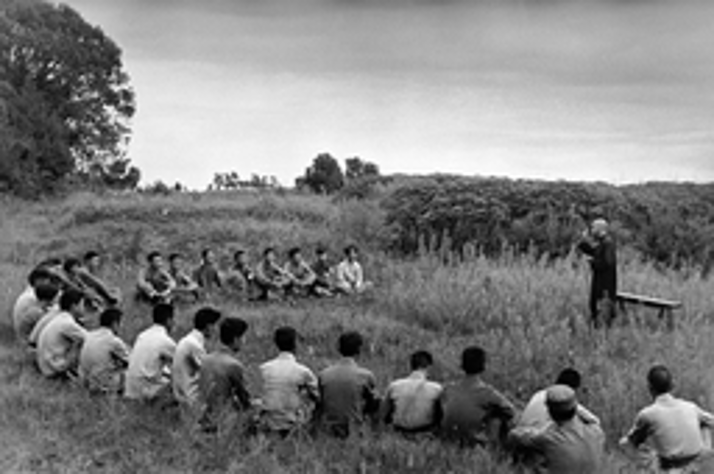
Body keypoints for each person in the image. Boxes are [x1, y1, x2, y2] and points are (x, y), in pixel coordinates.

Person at [620, 365, 714, 473]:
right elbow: (711, 421)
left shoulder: (648, 414)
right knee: (704, 423)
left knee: (624, 443)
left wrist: (648, 456)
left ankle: (650, 466)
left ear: (650, 388)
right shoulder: (691, 407)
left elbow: (631, 442)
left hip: (670, 467)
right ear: (672, 385)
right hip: (697, 463)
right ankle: (705, 454)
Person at [509, 385, 605, 474]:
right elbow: (594, 420)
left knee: (529, 457)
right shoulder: (596, 430)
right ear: (575, 409)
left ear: (550, 412)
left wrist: (542, 428)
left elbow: (514, 435)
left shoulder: (549, 438)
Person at [439, 346, 517, 448]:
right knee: (498, 417)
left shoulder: (449, 389)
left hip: (448, 439)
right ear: (483, 366)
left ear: (462, 365)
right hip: (473, 441)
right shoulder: (486, 392)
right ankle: (495, 451)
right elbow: (511, 411)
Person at [258, 326, 319, 435]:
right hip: (292, 424)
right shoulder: (303, 372)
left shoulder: (264, 368)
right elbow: (317, 396)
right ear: (295, 344)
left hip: (267, 423)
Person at [318, 331, 380, 438]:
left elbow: (319, 402)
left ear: (339, 349)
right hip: (354, 429)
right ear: (359, 350)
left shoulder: (324, 374)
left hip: (328, 428)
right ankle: (374, 431)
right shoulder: (366, 375)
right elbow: (373, 403)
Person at [198, 317, 252, 432]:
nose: (244, 341)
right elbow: (245, 399)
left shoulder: (205, 359)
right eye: (243, 337)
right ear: (236, 339)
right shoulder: (233, 365)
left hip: (204, 415)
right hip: (224, 419)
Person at [124, 303, 177, 402]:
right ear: (169, 321)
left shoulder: (142, 335)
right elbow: (183, 364)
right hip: (145, 391)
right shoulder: (165, 341)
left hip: (130, 390)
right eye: (173, 320)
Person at [383, 350, 443, 434]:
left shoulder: (394, 386)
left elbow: (384, 413)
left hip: (398, 432)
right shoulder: (437, 388)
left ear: (411, 367)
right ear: (429, 367)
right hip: (426, 432)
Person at [518, 368, 600, 429]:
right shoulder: (563, 401)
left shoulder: (538, 394)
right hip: (539, 442)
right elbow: (595, 421)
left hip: (521, 436)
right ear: (573, 390)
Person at [172, 307, 222, 406]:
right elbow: (209, 372)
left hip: (181, 392)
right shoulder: (194, 345)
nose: (216, 329)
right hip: (189, 398)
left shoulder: (188, 340)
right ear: (208, 326)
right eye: (215, 325)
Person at [35, 289, 88, 378]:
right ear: (74, 306)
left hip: (46, 364)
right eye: (82, 304)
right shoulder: (67, 324)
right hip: (54, 368)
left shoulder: (60, 318)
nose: (84, 308)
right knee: (83, 343)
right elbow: (91, 339)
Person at [78, 307, 130, 394]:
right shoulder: (113, 341)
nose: (122, 327)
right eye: (121, 323)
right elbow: (131, 361)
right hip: (102, 386)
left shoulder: (90, 335)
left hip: (85, 382)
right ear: (115, 324)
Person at [577, 218, 617, 328]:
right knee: (595, 310)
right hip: (599, 283)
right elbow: (593, 251)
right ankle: (596, 336)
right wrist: (583, 240)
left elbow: (608, 263)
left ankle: (602, 339)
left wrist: (593, 262)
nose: (591, 230)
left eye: (593, 227)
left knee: (603, 314)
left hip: (605, 286)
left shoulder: (608, 243)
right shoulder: (602, 243)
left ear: (600, 229)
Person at [12, 266, 57, 333]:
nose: (49, 284)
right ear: (38, 280)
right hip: (27, 336)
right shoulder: (33, 297)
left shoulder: (29, 292)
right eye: (47, 281)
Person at [14, 282, 59, 347]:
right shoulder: (37, 313)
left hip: (25, 341)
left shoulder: (37, 307)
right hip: (28, 345)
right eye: (56, 297)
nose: (58, 299)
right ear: (50, 298)